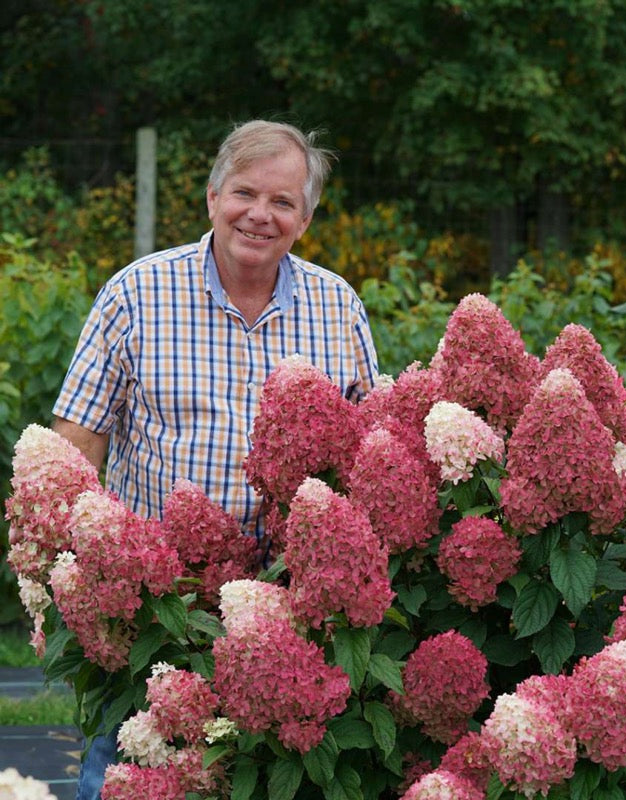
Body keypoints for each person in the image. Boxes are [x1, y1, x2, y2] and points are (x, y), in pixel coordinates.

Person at [51, 119, 379, 800]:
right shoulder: (135, 295)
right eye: (245, 193)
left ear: (306, 218)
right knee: (125, 778)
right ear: (211, 197)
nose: (260, 215)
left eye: (283, 202)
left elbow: (370, 453)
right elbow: (74, 446)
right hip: (155, 612)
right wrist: (74, 583)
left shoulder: (336, 305)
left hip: (291, 616)